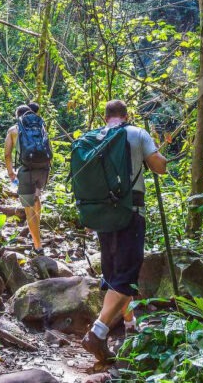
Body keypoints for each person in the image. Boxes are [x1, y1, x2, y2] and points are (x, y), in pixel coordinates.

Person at [81, 99, 167, 363]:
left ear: (105, 117)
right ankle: (98, 332)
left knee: (114, 273)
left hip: (103, 216)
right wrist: (160, 151)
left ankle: (130, 324)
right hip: (130, 213)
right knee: (127, 275)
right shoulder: (136, 133)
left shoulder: (94, 137)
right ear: (126, 115)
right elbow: (159, 167)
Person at [4, 104, 50, 255]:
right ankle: (36, 231)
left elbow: (7, 154)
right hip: (43, 170)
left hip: (27, 172)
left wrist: (11, 172)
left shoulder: (13, 130)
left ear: (18, 116)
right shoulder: (40, 126)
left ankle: (38, 246)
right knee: (36, 199)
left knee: (28, 208)